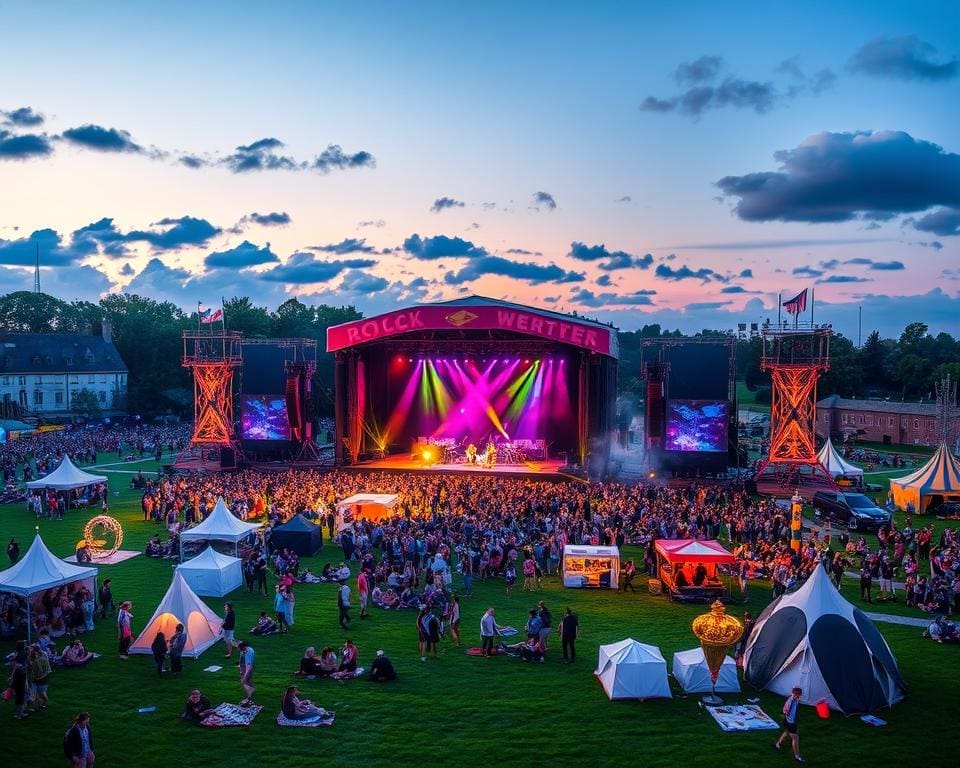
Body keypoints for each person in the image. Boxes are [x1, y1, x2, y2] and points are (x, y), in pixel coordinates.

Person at [774, 687, 805, 763]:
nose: (799, 696)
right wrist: (786, 713)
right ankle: (797, 757)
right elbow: (784, 710)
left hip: (787, 721)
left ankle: (777, 744)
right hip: (790, 722)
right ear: (794, 694)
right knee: (795, 738)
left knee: (787, 732)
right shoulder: (790, 701)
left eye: (799, 695)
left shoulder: (795, 699)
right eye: (798, 695)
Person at [237, 641, 255, 706]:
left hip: (247, 668)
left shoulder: (248, 654)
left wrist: (244, 676)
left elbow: (248, 667)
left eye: (238, 648)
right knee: (248, 681)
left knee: (244, 683)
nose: (237, 649)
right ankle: (252, 690)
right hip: (244, 667)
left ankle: (249, 697)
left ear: (243, 647)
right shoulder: (247, 648)